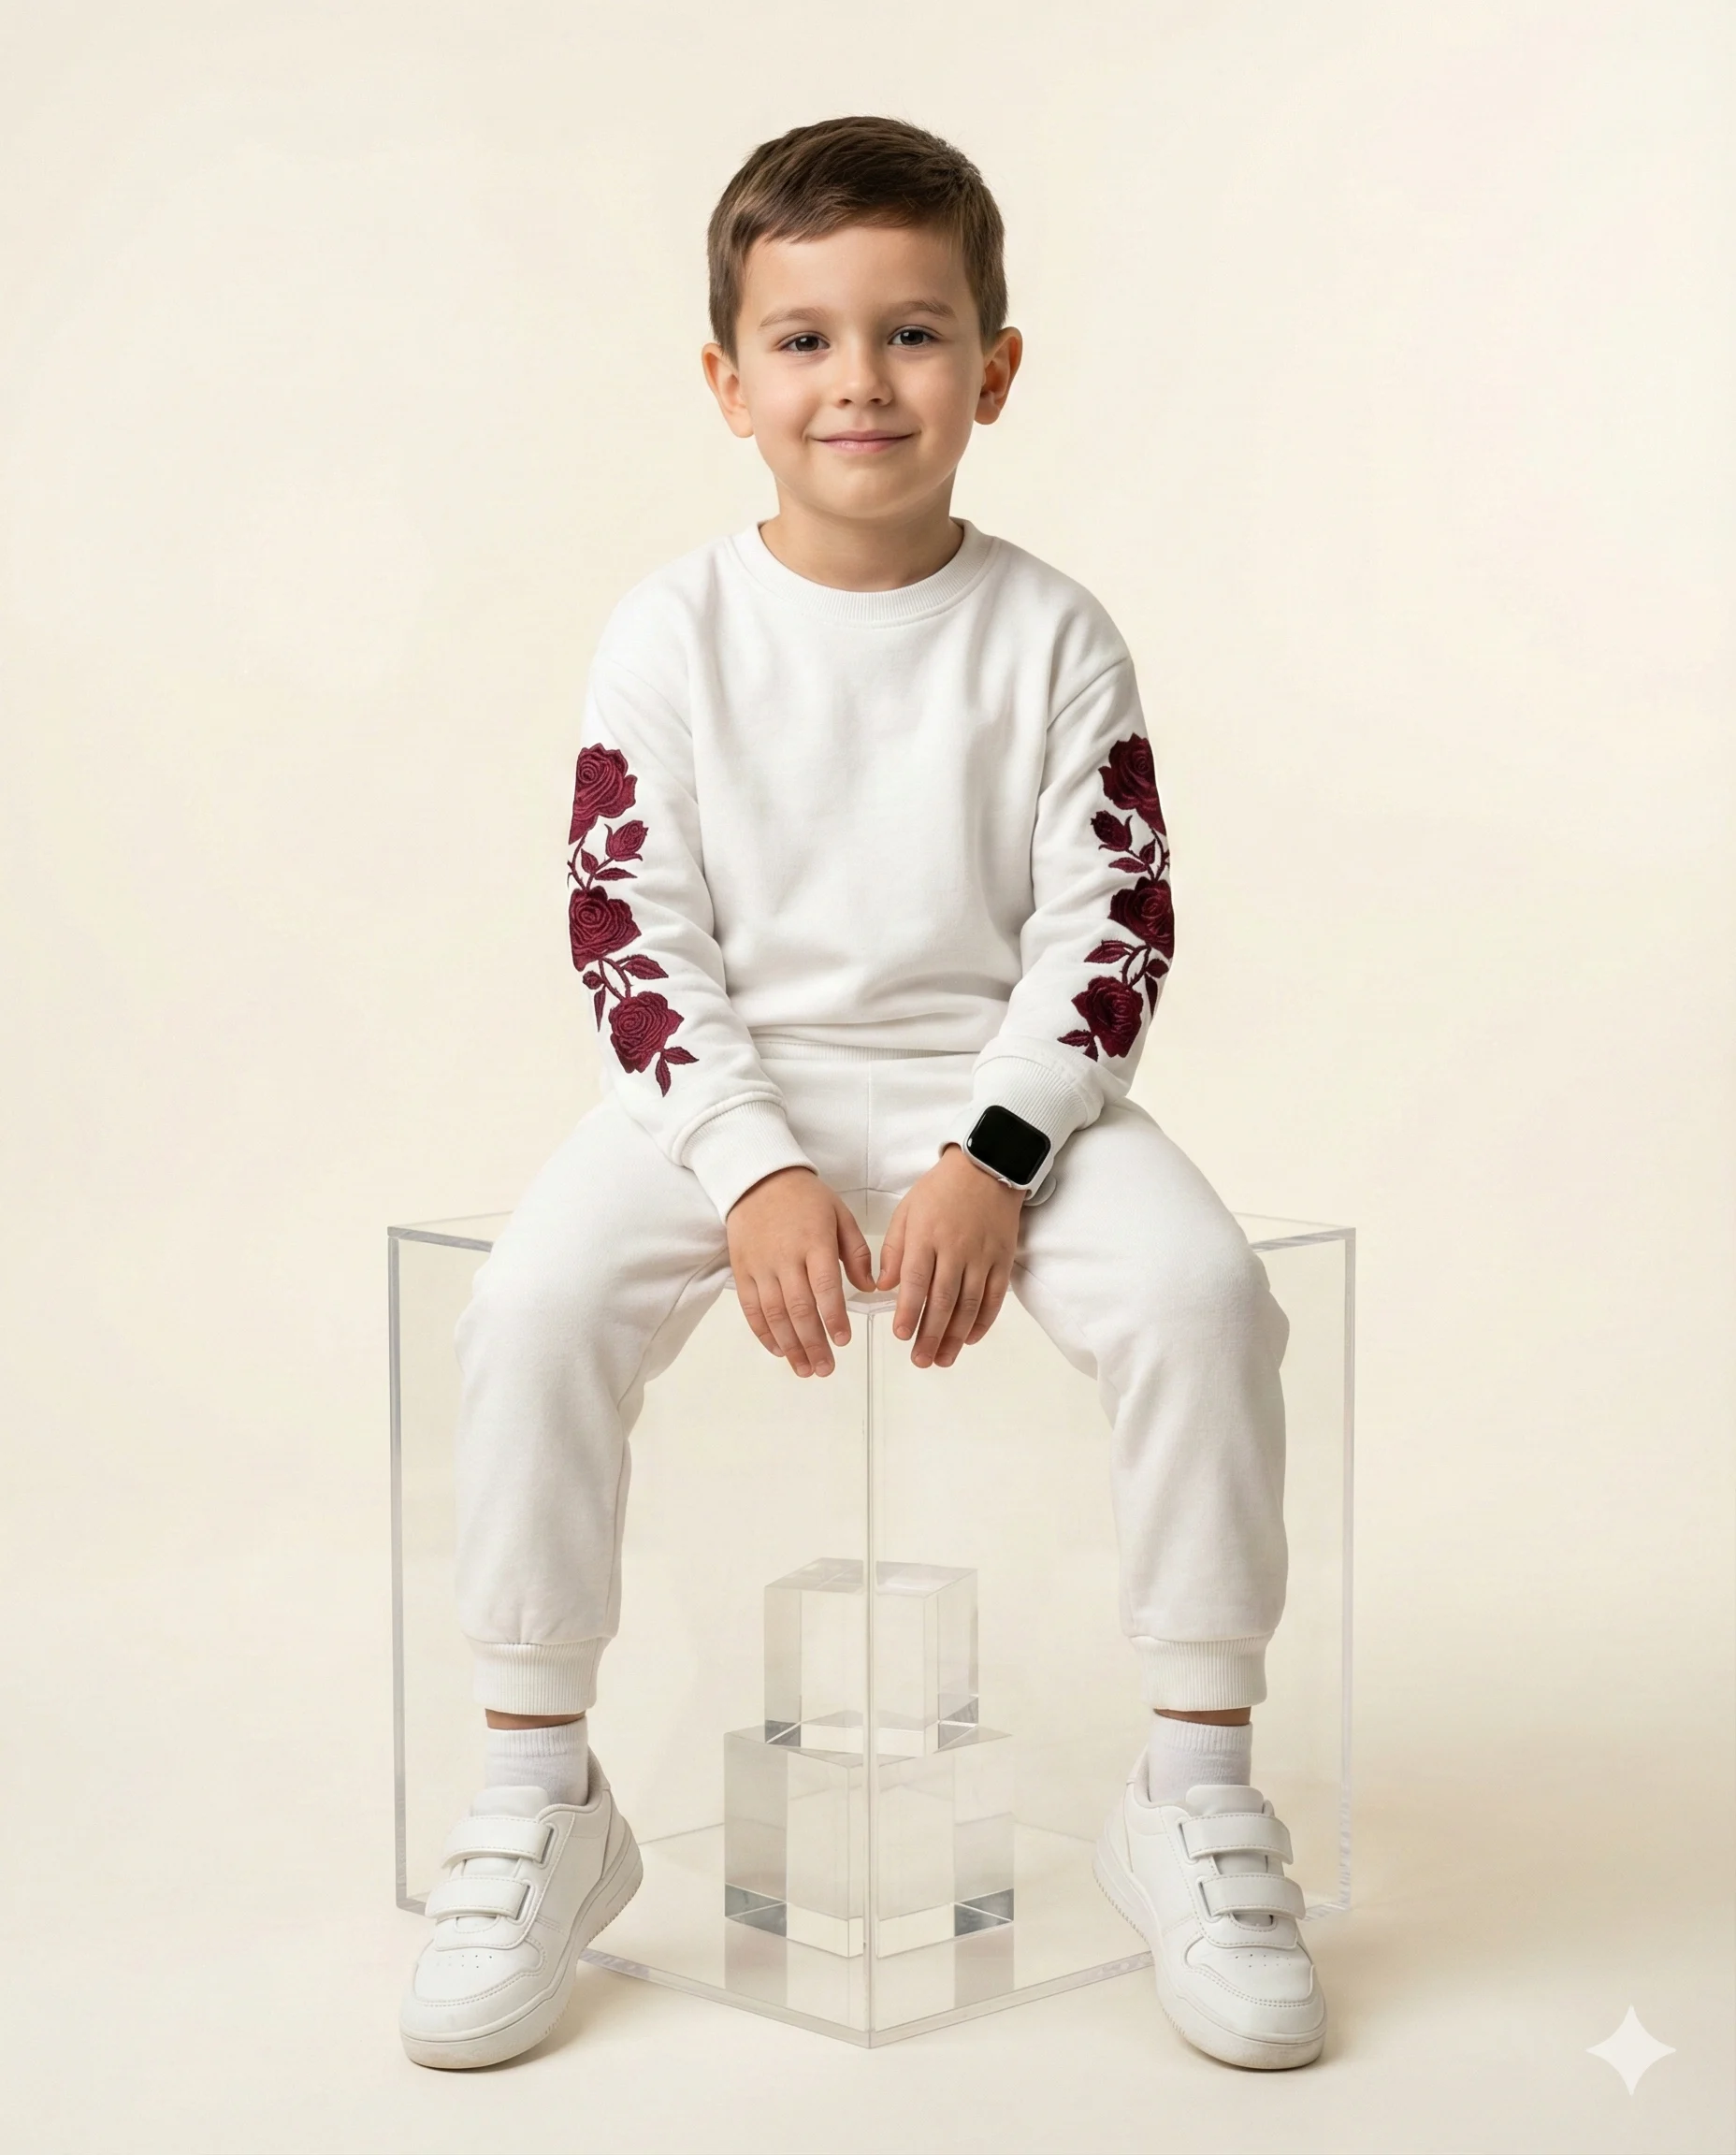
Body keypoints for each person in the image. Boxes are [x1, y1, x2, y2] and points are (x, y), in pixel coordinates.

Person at [399, 113, 1325, 2075]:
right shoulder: (671, 630)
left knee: (1201, 1298)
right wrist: (746, 1169)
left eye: (912, 335)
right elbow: (623, 928)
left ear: (992, 369)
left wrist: (994, 1156)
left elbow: (1109, 929)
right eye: (805, 340)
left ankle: (1194, 1784)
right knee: (533, 1304)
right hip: (721, 1096)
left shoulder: (1053, 633)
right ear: (728, 383)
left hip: (1003, 1096)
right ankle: (535, 1790)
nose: (861, 382)